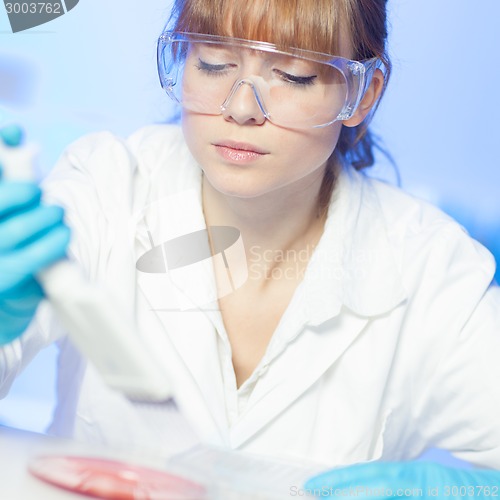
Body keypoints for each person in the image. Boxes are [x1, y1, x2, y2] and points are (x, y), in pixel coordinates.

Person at [1, 0, 500, 496]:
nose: (240, 108)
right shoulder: (106, 187)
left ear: (363, 93)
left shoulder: (430, 269)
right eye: (213, 63)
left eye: (294, 75)